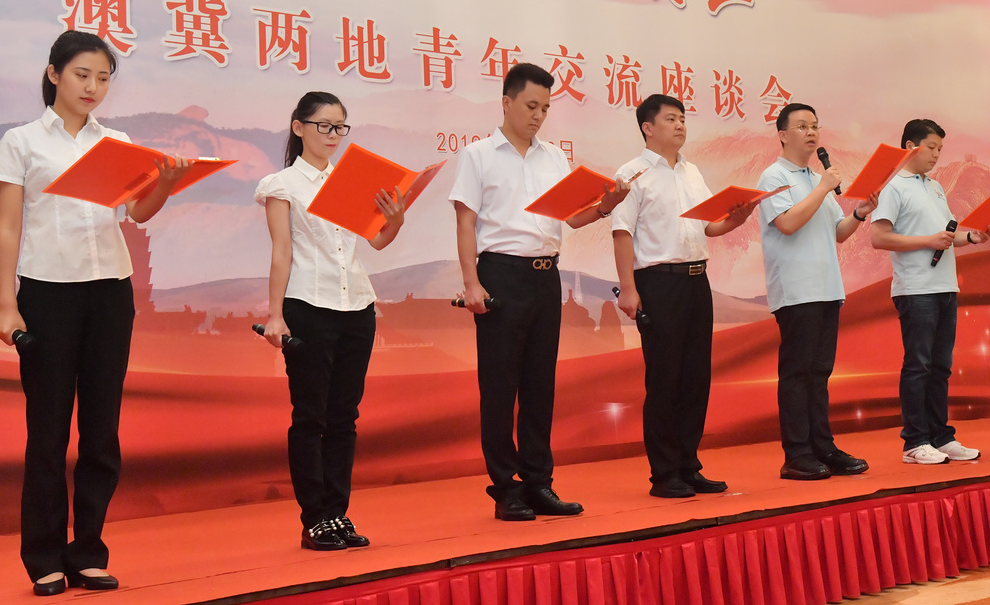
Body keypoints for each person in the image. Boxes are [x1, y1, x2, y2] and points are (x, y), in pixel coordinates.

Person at [0, 30, 189, 596]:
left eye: (103, 78)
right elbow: (8, 228)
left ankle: (89, 551)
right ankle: (44, 557)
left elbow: (138, 214)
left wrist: (166, 184)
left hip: (110, 293)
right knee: (48, 432)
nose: (93, 87)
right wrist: (7, 305)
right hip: (47, 294)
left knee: (101, 432)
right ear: (54, 74)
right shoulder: (22, 141)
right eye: (82, 74)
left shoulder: (116, 142)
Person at [449, 63, 629, 521]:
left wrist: (605, 206)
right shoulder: (478, 155)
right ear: (506, 102)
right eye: (531, 106)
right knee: (499, 387)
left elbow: (572, 218)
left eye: (545, 109)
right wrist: (471, 283)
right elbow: (466, 222)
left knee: (538, 385)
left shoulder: (554, 158)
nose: (538, 116)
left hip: (546, 276)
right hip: (500, 275)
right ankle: (505, 488)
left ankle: (539, 483)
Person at [256, 91, 407, 550]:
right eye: (324, 125)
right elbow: (281, 252)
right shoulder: (282, 184)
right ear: (299, 127)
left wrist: (395, 220)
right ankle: (314, 518)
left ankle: (338, 513)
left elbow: (376, 242)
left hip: (357, 307)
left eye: (340, 127)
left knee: (344, 416)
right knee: (310, 416)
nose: (333, 135)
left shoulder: (353, 181)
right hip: (308, 304)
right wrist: (276, 315)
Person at [612, 94, 756, 498]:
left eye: (683, 119)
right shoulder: (632, 173)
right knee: (664, 379)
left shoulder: (691, 171)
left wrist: (737, 219)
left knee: (695, 378)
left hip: (697, 281)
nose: (680, 126)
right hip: (659, 283)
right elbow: (622, 232)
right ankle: (664, 474)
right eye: (671, 119)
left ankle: (689, 465)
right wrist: (628, 288)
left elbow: (708, 227)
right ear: (648, 127)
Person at [756, 103, 877, 480]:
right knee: (798, 373)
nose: (811, 132)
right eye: (802, 126)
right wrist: (824, 187)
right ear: (782, 135)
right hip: (797, 289)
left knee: (820, 372)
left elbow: (836, 233)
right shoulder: (773, 176)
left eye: (815, 126)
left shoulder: (815, 177)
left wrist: (858, 213)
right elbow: (788, 223)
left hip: (827, 287)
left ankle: (823, 446)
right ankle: (796, 454)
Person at [870, 119, 988, 465]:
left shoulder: (934, 187)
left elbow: (946, 236)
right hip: (916, 288)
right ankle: (914, 441)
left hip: (945, 285)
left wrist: (972, 237)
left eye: (940, 149)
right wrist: (927, 241)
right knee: (918, 365)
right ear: (910, 146)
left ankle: (941, 436)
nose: (937, 155)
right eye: (931, 147)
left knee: (940, 367)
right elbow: (879, 237)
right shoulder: (894, 186)